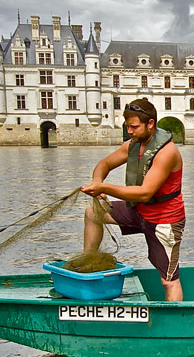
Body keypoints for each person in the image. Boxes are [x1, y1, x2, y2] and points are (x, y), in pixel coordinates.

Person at [80, 98, 186, 301]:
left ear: (151, 124)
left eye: (134, 127)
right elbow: (105, 163)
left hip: (165, 221)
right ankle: (87, 265)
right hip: (139, 211)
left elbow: (146, 192)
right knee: (93, 212)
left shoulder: (167, 152)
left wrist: (104, 188)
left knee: (169, 280)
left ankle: (173, 325)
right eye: (127, 126)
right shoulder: (133, 144)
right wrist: (97, 181)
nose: (129, 131)